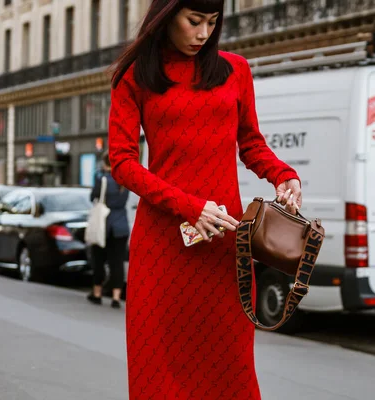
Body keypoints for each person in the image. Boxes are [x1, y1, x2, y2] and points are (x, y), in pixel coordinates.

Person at [108, 0, 301, 398]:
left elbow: (250, 143)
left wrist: (284, 175)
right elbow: (122, 162)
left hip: (224, 247)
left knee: (229, 367)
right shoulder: (135, 75)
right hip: (162, 248)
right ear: (166, 16)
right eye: (193, 21)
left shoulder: (235, 70)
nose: (203, 34)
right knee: (157, 369)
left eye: (212, 23)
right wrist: (191, 206)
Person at [87, 150, 130, 309]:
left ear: (105, 162)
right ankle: (116, 297)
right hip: (121, 226)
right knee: (117, 262)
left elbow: (93, 197)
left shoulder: (102, 179)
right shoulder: (124, 181)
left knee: (98, 259)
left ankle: (97, 293)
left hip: (103, 225)